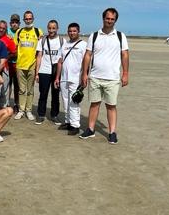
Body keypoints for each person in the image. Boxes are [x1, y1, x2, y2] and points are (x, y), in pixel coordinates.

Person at [79, 8, 129, 144]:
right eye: (107, 18)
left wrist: (125, 73)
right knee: (94, 104)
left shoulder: (120, 36)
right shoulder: (94, 36)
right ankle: (90, 129)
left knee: (111, 105)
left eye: (112, 19)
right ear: (103, 19)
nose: (109, 21)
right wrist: (84, 73)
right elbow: (88, 55)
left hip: (112, 78)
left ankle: (112, 132)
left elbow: (124, 54)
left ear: (115, 20)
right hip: (95, 76)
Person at [54, 22, 86, 135]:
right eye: (70, 31)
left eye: (74, 31)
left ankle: (75, 125)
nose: (72, 33)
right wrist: (57, 77)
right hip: (64, 78)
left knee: (74, 101)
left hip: (76, 78)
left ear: (78, 31)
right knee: (66, 100)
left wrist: (84, 76)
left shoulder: (83, 45)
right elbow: (59, 62)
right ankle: (68, 122)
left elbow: (87, 62)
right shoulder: (64, 45)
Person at [14, 10, 42, 120]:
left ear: (33, 19)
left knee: (30, 90)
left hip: (32, 65)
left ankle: (28, 110)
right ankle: (21, 110)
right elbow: (15, 47)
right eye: (26, 18)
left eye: (30, 18)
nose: (28, 20)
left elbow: (41, 49)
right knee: (21, 90)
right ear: (24, 20)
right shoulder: (19, 32)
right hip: (20, 65)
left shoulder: (38, 31)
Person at [33, 19, 62, 124]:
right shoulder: (42, 41)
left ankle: (54, 115)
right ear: (47, 28)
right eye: (49, 28)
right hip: (44, 71)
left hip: (56, 72)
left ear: (57, 29)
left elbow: (63, 58)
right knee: (43, 94)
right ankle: (41, 114)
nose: (51, 30)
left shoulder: (62, 41)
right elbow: (39, 57)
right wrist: (37, 73)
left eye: (53, 28)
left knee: (55, 95)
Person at [0, 18, 19, 111]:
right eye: (0, 28)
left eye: (3, 28)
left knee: (5, 88)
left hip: (4, 67)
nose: (1, 30)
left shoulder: (8, 40)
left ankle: (5, 107)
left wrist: (7, 56)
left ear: (6, 29)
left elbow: (15, 52)